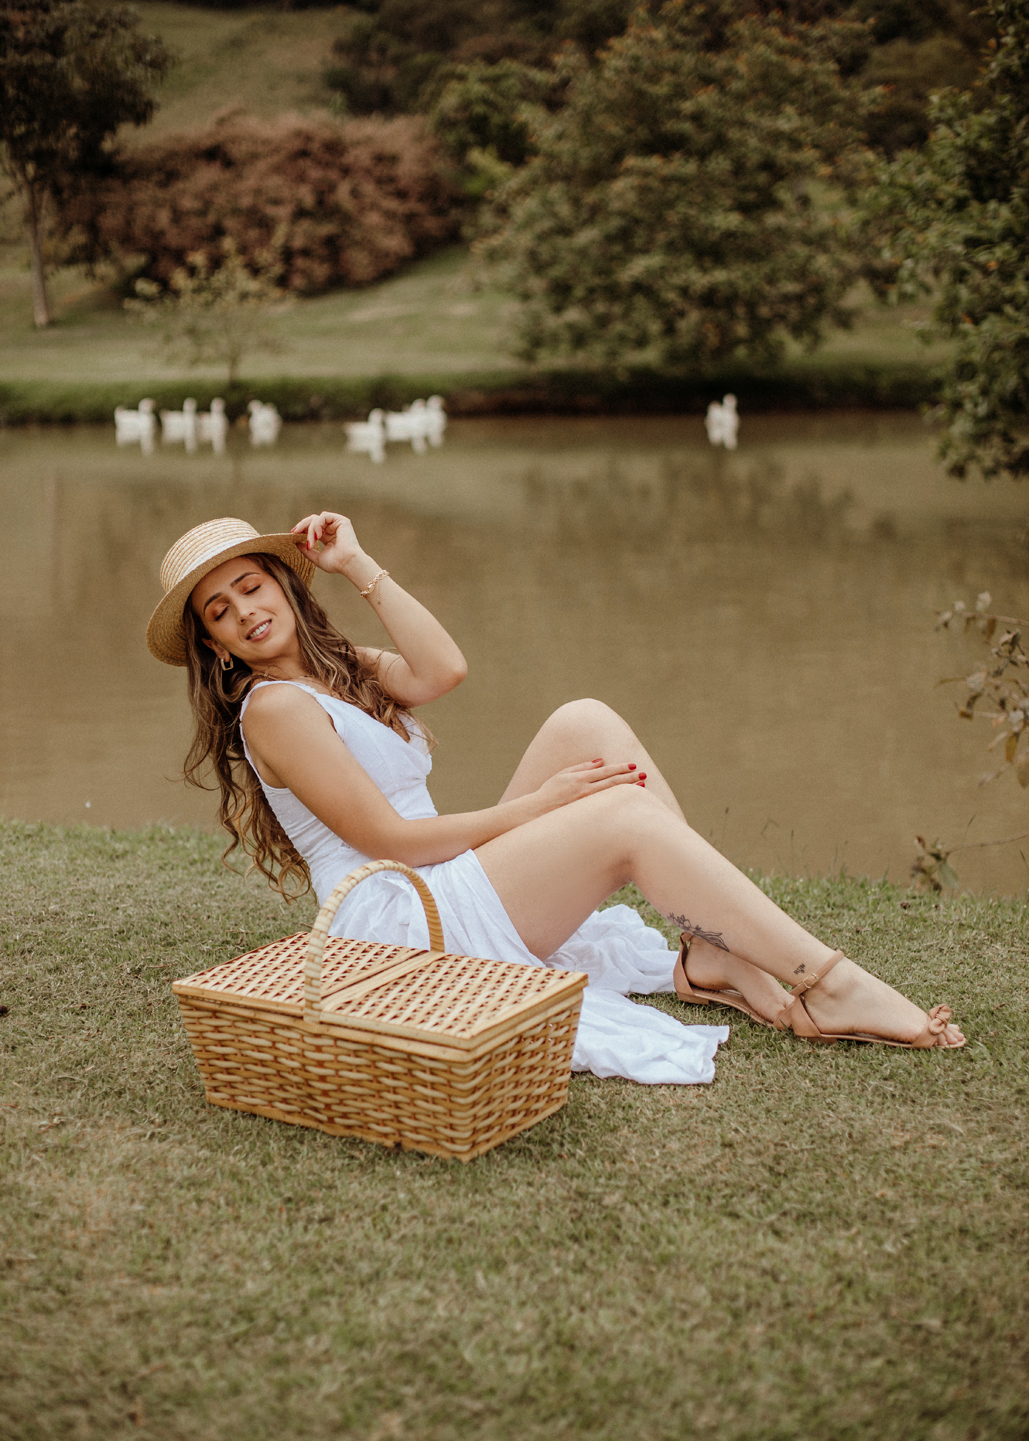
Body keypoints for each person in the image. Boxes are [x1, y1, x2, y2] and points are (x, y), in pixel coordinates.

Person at [146, 512, 965, 1084]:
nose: (245, 612)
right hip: (396, 917)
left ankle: (709, 952)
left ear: (284, 584)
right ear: (212, 643)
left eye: (252, 587)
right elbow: (391, 839)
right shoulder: (275, 708)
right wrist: (540, 806)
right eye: (221, 610)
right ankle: (827, 983)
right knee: (619, 815)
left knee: (585, 722)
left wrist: (356, 563)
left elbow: (441, 670)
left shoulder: (334, 668)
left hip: (436, 875)